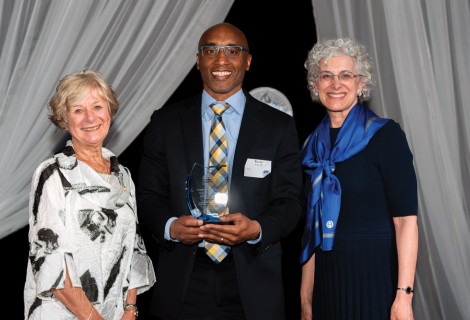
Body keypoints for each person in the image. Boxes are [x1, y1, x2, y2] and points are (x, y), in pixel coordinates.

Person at [137, 22, 304, 320]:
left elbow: (290, 201)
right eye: (210, 50)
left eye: (232, 51)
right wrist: (171, 227)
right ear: (198, 60)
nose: (221, 60)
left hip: (252, 279)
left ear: (248, 60)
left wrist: (256, 229)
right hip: (184, 279)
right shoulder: (165, 122)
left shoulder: (277, 127)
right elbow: (148, 195)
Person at [299, 38, 418, 320]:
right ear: (315, 85)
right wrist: (306, 300)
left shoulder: (386, 136)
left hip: (376, 282)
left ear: (361, 82)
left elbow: (406, 222)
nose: (335, 84)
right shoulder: (311, 147)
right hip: (327, 286)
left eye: (346, 75)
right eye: (326, 75)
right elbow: (311, 229)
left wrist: (403, 295)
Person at [24, 69, 156, 320]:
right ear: (64, 118)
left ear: (109, 110)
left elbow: (134, 248)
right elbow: (51, 261)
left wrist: (130, 310)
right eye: (78, 110)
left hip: (115, 313)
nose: (90, 118)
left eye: (97, 106)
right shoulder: (53, 175)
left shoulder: (123, 176)